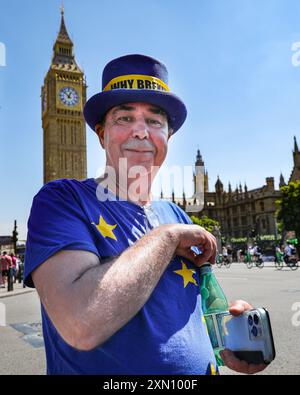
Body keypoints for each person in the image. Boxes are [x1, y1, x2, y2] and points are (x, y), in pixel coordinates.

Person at [24, 54, 266, 375]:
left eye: (154, 121)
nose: (141, 132)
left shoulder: (178, 213)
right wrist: (167, 237)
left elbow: (194, 318)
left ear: (167, 136)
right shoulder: (62, 200)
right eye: (124, 118)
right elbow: (81, 323)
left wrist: (226, 343)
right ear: (101, 134)